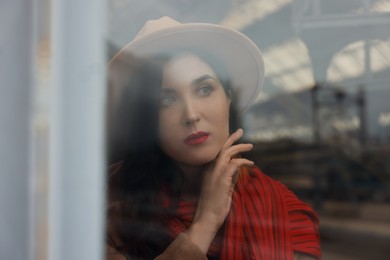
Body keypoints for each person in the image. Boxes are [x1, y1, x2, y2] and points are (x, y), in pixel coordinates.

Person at [106, 17, 321, 260]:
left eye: (204, 90)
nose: (191, 115)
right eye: (167, 100)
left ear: (228, 100)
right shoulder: (107, 207)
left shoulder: (283, 210)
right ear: (148, 121)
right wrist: (206, 221)